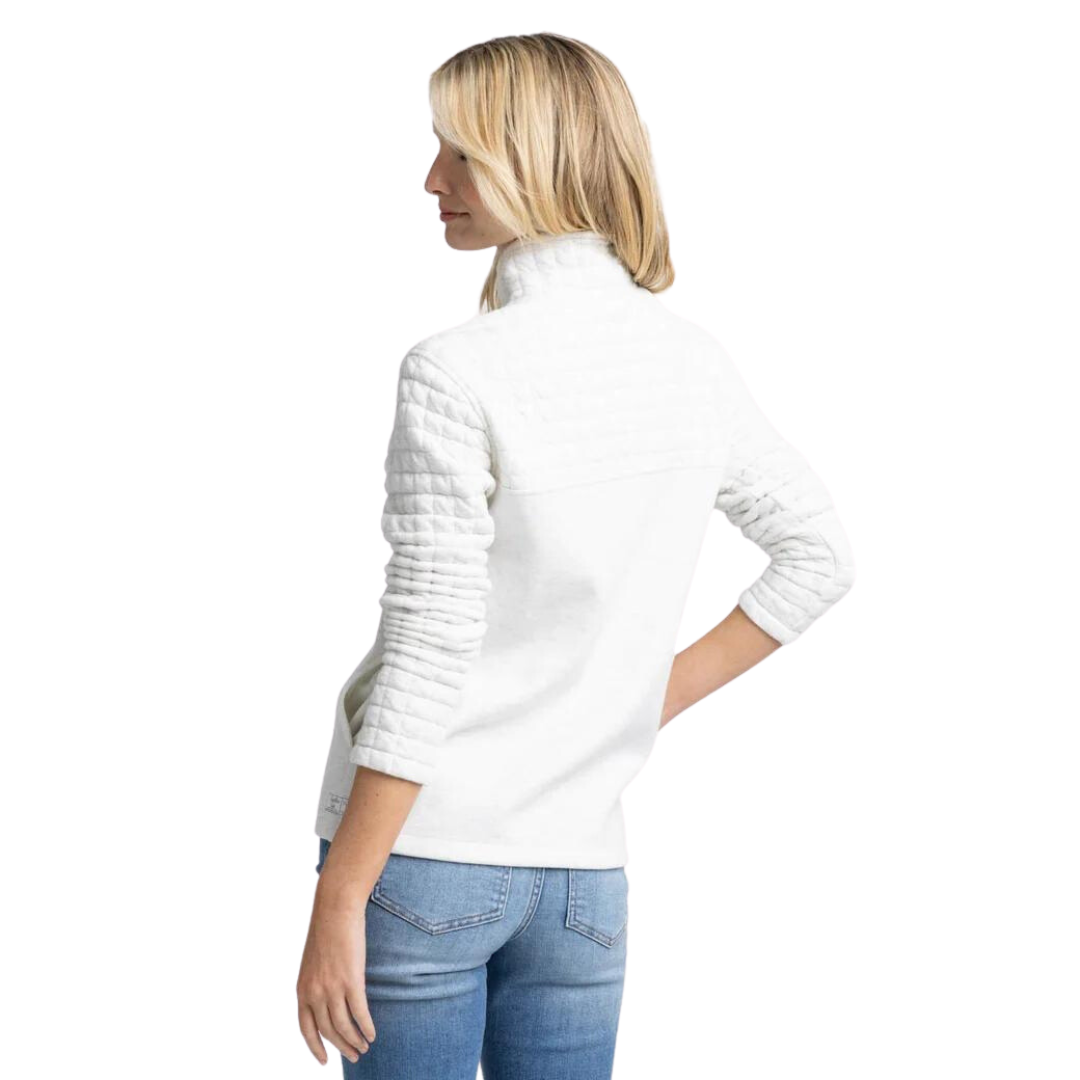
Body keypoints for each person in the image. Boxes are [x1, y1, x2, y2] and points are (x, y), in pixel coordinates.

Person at [296, 31, 856, 1079]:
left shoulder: (456, 371)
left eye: (460, 153)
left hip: (426, 863)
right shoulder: (689, 361)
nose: (432, 180)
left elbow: (429, 647)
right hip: (584, 883)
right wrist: (633, 702)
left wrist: (341, 895)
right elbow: (818, 556)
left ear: (533, 157)